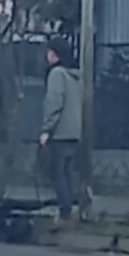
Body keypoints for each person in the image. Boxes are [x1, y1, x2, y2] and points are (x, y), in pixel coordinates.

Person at [39, 37, 83, 225]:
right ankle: (73, 207)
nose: (46, 56)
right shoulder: (75, 75)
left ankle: (65, 212)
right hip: (74, 132)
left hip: (60, 132)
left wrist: (46, 129)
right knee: (67, 173)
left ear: (54, 54)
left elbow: (54, 103)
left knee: (57, 174)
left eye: (49, 52)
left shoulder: (57, 74)